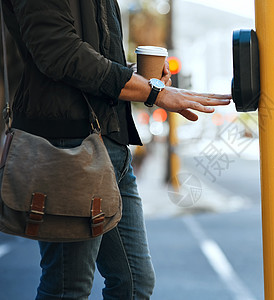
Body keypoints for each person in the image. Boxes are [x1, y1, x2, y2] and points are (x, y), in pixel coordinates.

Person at [2, 0, 231, 299]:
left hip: (112, 147)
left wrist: (135, 75)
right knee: (67, 288)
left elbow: (94, 61)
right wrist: (154, 93)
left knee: (134, 284)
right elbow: (60, 54)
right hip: (66, 149)